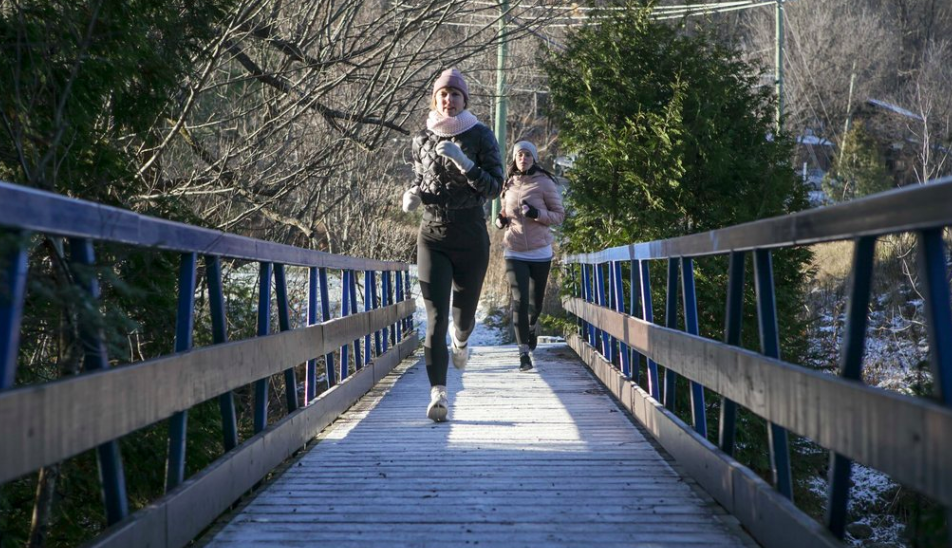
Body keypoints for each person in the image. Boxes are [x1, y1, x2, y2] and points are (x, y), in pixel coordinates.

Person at [401, 68, 503, 422]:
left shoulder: (481, 135)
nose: (448, 100)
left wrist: (465, 164)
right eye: (443, 94)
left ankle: (461, 340)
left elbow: (495, 187)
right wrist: (413, 195)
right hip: (433, 235)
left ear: (464, 100)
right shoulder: (421, 138)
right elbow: (421, 179)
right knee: (435, 318)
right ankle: (438, 395)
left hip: (471, 236)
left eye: (455, 94)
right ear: (435, 99)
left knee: (462, 317)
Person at [494, 141, 565, 372]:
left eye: (527, 155)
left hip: (540, 251)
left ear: (534, 158)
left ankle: (532, 327)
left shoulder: (544, 183)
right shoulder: (508, 183)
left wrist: (536, 214)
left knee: (535, 304)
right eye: (519, 155)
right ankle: (523, 354)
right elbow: (505, 212)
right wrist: (500, 220)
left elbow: (559, 215)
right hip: (514, 250)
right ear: (514, 159)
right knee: (520, 301)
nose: (523, 158)